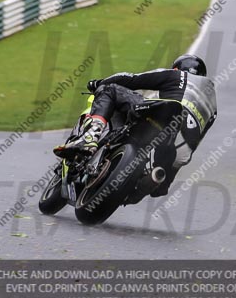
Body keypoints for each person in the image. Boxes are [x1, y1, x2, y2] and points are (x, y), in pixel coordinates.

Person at [53, 55, 217, 197]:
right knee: (157, 183)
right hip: (179, 151)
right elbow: (196, 141)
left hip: (162, 115)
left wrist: (98, 83)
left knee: (110, 90)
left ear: (177, 68)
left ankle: (90, 137)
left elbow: (132, 79)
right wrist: (168, 178)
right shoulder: (213, 107)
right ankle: (150, 181)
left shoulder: (178, 76)